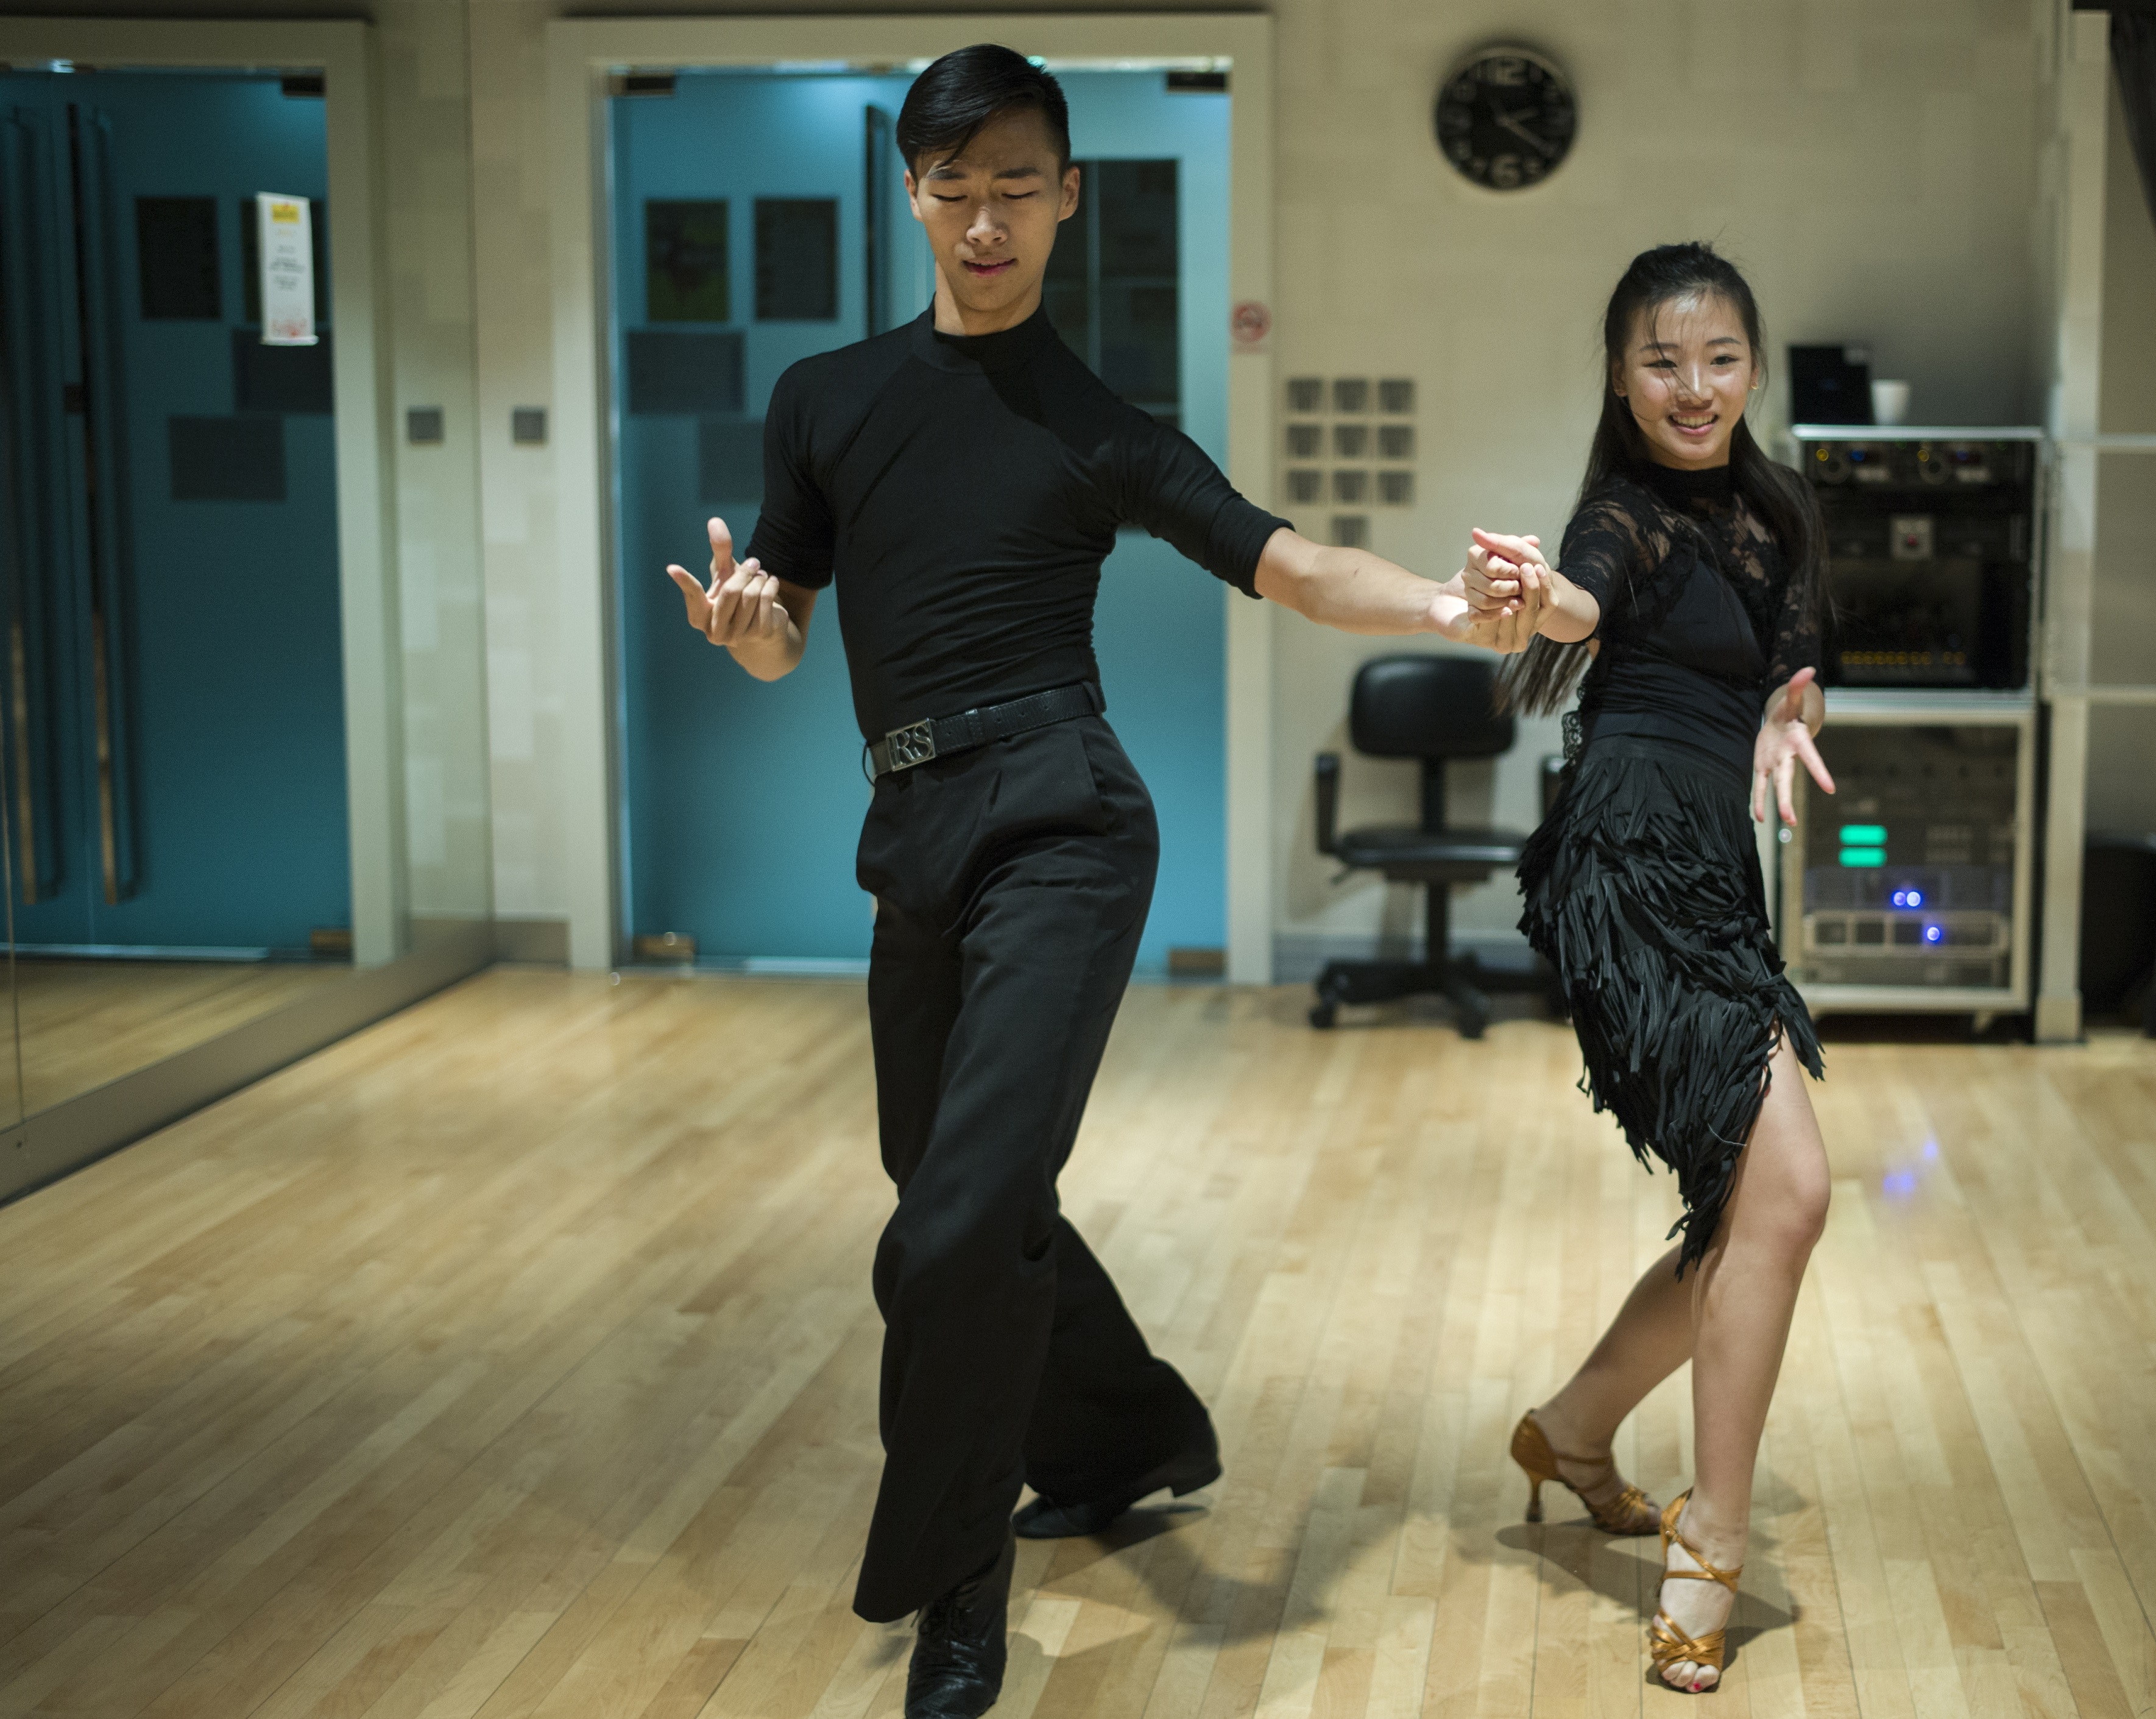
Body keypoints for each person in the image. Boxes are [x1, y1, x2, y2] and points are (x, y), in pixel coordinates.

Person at [663, 44, 1541, 1719]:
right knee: (954, 1198)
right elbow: (785, 633)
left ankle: (958, 1596)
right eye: (954, 186)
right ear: (911, 195)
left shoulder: (1097, 428)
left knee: (952, 1228)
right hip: (913, 832)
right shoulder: (826, 400)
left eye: (1017, 185)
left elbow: (1292, 565)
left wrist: (1445, 606)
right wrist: (751, 630)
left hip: (1064, 821)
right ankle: (1133, 1432)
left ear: (1069, 197)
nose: (985, 219)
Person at [1463, 243, 1836, 1696]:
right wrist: (1536, 592)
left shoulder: (1781, 511)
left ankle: (1568, 1431)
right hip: (1623, 869)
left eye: (1720, 357)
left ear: (1755, 367)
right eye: (1662, 361)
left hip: (1716, 878)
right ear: (1621, 380)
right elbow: (1582, 597)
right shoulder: (1620, 513)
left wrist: (1789, 709)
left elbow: (1791, 662)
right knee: (1787, 1192)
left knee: (1754, 1206)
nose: (1694, 386)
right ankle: (1713, 1540)